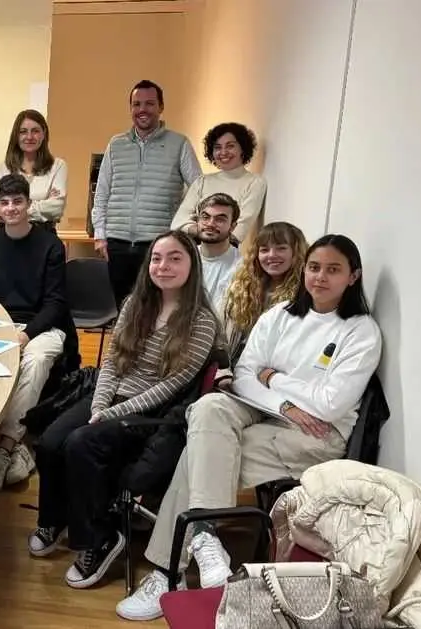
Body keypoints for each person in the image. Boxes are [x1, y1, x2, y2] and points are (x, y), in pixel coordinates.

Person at [117, 235, 383, 621]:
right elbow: (243, 376)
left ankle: (168, 570)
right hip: (260, 410)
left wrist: (273, 378)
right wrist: (284, 400)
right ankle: (206, 538)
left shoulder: (360, 332)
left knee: (199, 456)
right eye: (314, 267)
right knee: (209, 407)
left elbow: (330, 404)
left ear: (353, 276)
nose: (320, 277)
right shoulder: (279, 317)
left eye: (333, 269)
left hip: (315, 434)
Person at [29, 230, 218, 591]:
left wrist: (114, 413)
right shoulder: (136, 303)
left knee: (81, 443)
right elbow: (112, 363)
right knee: (50, 441)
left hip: (152, 413)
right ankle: (54, 519)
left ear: (192, 265)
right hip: (111, 399)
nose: (163, 266)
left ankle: (98, 539)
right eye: (157, 258)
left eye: (175, 258)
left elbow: (171, 386)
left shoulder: (202, 321)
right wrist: (100, 404)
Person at [0, 174, 68, 492]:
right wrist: (2, 332)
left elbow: (56, 302)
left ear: (29, 204)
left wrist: (26, 336)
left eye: (18, 201)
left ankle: (5, 446)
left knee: (36, 360)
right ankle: (18, 451)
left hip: (42, 327)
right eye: (5, 202)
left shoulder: (50, 245)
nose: (11, 208)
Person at [91, 80, 202, 309]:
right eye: (136, 104)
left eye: (150, 103)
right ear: (130, 108)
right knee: (123, 311)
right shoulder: (116, 144)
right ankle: (125, 346)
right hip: (117, 244)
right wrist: (101, 235)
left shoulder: (178, 143)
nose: (142, 110)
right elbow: (101, 192)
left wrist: (184, 228)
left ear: (161, 107)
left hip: (157, 245)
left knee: (156, 310)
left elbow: (199, 189)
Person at [220, 221, 308, 357]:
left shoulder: (305, 295)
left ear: (296, 252)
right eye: (264, 250)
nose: (272, 255)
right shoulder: (240, 289)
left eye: (281, 248)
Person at [172, 122, 268, 242]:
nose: (223, 152)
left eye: (230, 146)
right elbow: (178, 222)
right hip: (195, 252)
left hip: (230, 254)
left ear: (243, 148)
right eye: (217, 147)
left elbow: (241, 228)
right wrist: (205, 232)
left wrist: (203, 229)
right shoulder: (202, 181)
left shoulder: (255, 182)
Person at [0, 110, 67, 232]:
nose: (29, 137)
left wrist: (17, 209)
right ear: (16, 135)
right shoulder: (3, 168)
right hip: (9, 236)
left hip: (44, 235)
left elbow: (57, 208)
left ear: (44, 134)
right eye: (23, 132)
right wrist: (43, 204)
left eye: (35, 131)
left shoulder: (57, 166)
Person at [193, 193, 242, 316]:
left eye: (220, 219)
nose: (210, 223)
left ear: (232, 227)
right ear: (198, 221)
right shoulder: (185, 258)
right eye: (205, 217)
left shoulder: (242, 267)